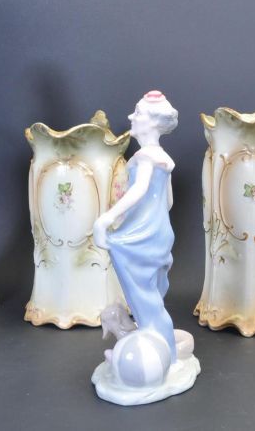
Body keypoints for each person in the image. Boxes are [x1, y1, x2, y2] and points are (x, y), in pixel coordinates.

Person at [93, 91, 179, 363]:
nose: (132, 116)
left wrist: (106, 219)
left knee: (144, 297)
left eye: (138, 112)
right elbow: (168, 202)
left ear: (152, 122)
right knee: (150, 296)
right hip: (158, 231)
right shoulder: (163, 157)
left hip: (144, 234)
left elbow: (140, 190)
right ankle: (157, 347)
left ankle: (160, 354)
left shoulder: (145, 157)